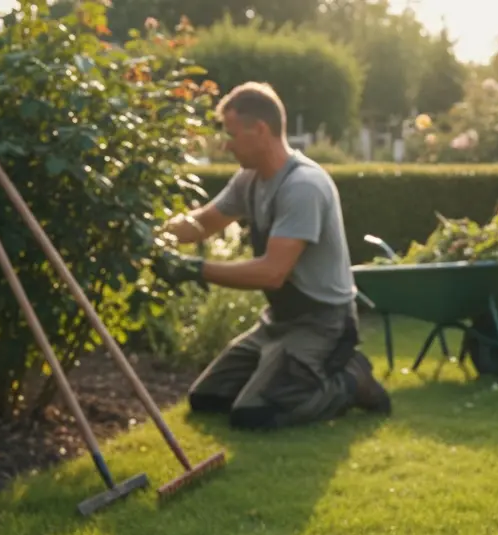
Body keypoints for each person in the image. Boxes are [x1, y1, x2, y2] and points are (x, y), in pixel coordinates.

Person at [151, 82, 391, 430]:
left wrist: (193, 270)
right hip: (277, 322)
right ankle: (281, 368)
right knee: (208, 398)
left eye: (231, 134)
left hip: (323, 323)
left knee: (254, 414)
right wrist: (149, 236)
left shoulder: (303, 186)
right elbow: (200, 224)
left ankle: (351, 381)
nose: (225, 144)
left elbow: (272, 273)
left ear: (260, 130)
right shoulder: (248, 180)